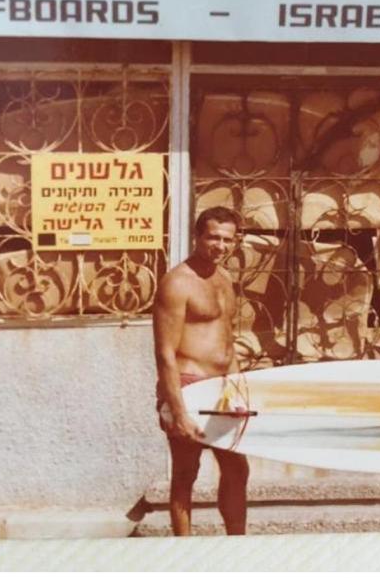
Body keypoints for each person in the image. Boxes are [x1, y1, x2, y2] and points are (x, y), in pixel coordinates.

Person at [153, 206, 249, 536]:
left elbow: (226, 340)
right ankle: (185, 550)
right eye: (213, 237)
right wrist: (178, 410)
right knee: (186, 472)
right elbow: (165, 353)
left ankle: (238, 545)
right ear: (197, 237)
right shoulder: (177, 283)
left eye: (227, 240)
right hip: (189, 387)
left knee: (237, 469)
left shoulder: (224, 279)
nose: (220, 246)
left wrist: (238, 389)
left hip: (222, 387)